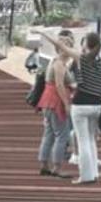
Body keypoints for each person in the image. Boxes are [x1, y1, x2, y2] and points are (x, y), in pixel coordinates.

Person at [41, 30, 101, 185]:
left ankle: (85, 176)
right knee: (91, 140)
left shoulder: (82, 59)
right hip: (96, 105)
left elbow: (59, 45)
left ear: (85, 45)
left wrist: (44, 34)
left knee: (83, 142)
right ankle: (94, 173)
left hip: (81, 105)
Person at [37, 33, 75, 178]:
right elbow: (59, 84)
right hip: (55, 101)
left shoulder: (54, 62)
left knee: (49, 134)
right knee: (62, 135)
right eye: (69, 47)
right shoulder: (59, 64)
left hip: (47, 100)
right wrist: (66, 103)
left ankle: (44, 164)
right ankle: (57, 167)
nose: (71, 50)